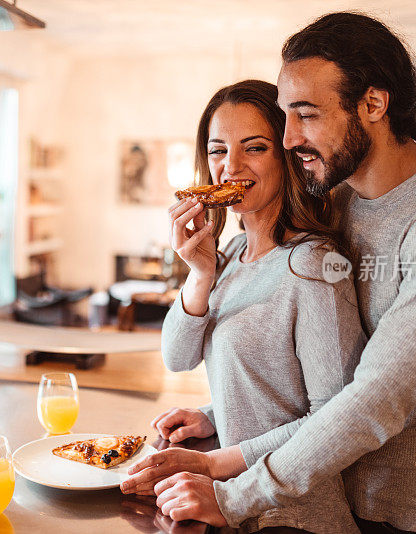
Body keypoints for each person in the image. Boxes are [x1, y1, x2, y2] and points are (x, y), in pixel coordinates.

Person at [143, 12, 416, 534]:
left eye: (305, 115)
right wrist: (220, 411)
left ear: (373, 104)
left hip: (415, 509)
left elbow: (375, 397)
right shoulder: (336, 196)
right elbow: (303, 359)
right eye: (285, 117)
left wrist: (233, 491)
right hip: (328, 490)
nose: (288, 138)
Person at [120, 79, 366, 534]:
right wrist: (199, 273)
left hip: (295, 517)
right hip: (235, 509)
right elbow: (178, 358)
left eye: (253, 148)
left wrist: (212, 463)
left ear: (287, 155)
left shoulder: (315, 267)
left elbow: (332, 422)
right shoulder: (230, 254)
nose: (230, 166)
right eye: (217, 151)